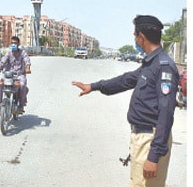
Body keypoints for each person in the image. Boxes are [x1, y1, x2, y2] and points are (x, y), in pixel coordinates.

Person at [72, 15, 179, 187]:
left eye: (135, 35)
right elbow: (125, 80)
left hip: (149, 140)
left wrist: (154, 155)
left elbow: (166, 113)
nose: (135, 39)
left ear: (141, 37)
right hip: (142, 138)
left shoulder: (163, 66)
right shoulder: (151, 63)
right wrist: (93, 86)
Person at [0, 35, 31, 114]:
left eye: (15, 43)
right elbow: (3, 62)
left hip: (20, 75)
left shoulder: (23, 53)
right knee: (1, 82)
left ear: (18, 44)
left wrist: (27, 68)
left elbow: (27, 61)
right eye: (12, 43)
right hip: (8, 75)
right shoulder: (8, 53)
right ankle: (0, 103)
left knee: (23, 85)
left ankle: (21, 105)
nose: (13, 45)